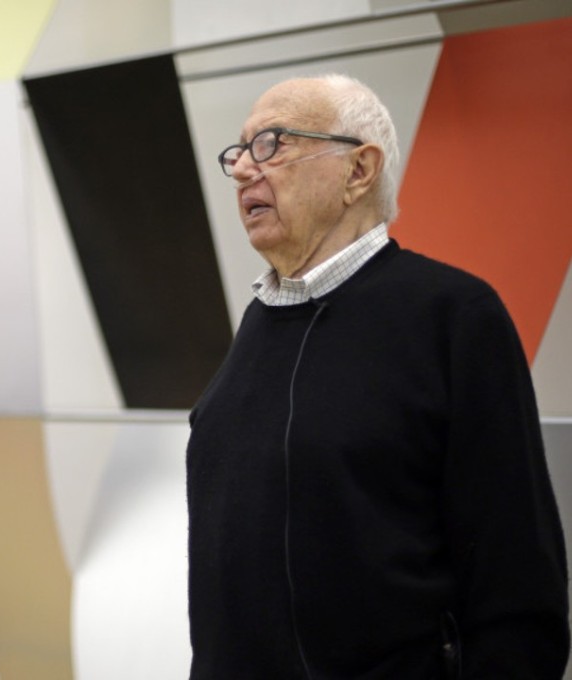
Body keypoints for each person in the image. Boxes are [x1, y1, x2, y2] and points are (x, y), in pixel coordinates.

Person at [186, 73, 569, 679]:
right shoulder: (261, 320)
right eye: (239, 151)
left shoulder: (453, 315)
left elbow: (516, 576)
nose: (242, 171)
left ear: (358, 171)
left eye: (273, 144)